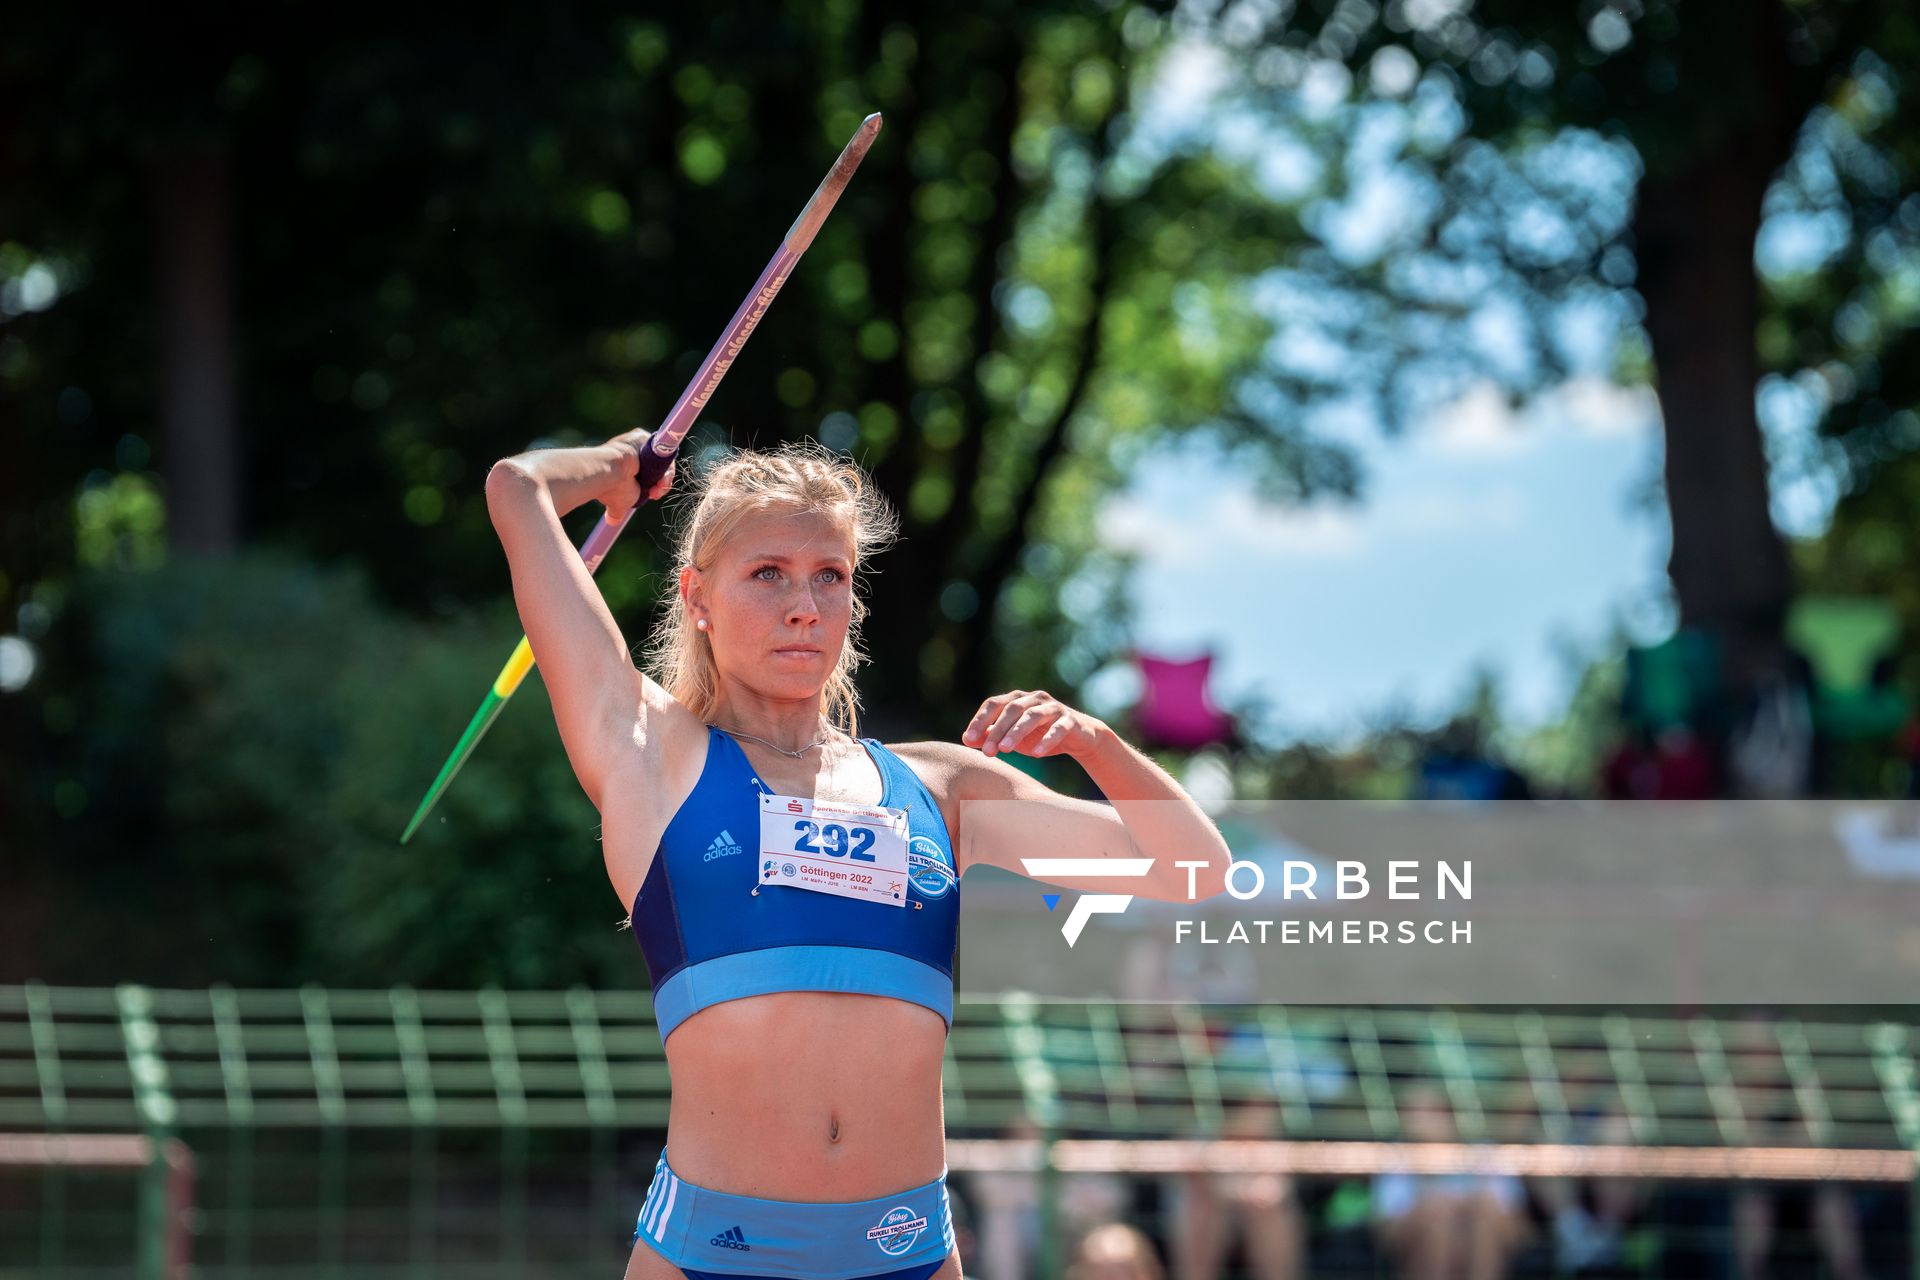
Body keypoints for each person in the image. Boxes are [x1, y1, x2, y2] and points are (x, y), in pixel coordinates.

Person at [482, 431, 1232, 1280]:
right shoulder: (649, 754)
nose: (803, 605)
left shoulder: (942, 788)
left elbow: (1195, 872)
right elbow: (516, 487)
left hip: (905, 1254)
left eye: (829, 576)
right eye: (767, 573)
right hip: (709, 1256)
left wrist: (1097, 744)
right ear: (697, 595)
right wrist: (619, 469)